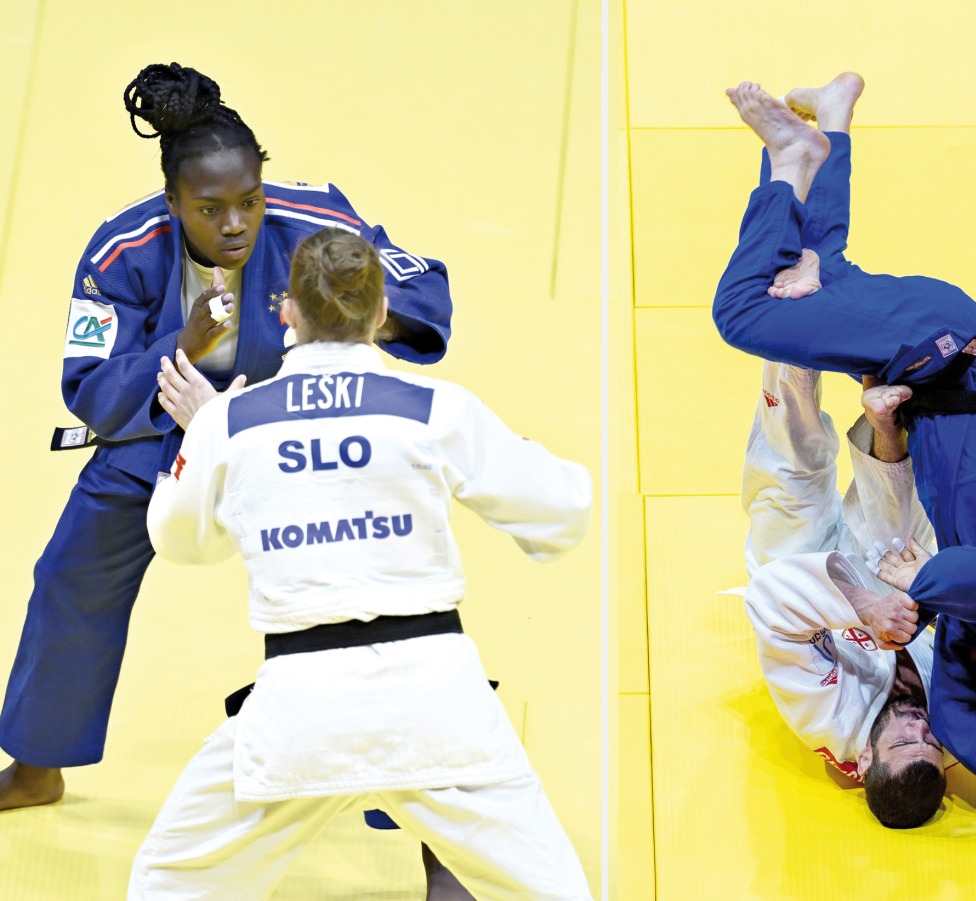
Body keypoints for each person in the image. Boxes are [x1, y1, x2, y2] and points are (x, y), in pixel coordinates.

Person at [0, 62, 453, 811]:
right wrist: (176, 345)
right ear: (173, 202)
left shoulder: (316, 222)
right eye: (211, 209)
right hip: (161, 433)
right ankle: (38, 763)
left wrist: (371, 315)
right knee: (69, 577)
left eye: (249, 200)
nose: (236, 222)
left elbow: (418, 287)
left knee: (362, 598)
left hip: (292, 433)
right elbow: (90, 390)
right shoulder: (119, 250)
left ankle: (410, 808)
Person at [713, 74, 976, 836]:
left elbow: (781, 601)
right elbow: (968, 587)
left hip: (837, 524)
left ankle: (828, 126)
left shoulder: (844, 719)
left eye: (905, 743)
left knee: (797, 327)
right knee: (756, 308)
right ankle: (789, 158)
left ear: (863, 761)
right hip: (944, 367)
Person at [130, 228, 594, 899]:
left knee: (172, 878)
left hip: (298, 709)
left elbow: (179, 541)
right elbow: (564, 509)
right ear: (379, 314)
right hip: (438, 703)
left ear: (286, 310)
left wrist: (209, 433)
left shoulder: (230, 422)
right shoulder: (439, 409)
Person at [741, 359, 946, 829]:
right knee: (905, 549)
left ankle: (792, 345)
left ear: (867, 761)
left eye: (903, 740)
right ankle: (884, 421)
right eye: (932, 743)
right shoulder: (949, 736)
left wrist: (868, 608)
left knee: (793, 465)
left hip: (795, 573)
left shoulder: (824, 718)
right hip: (873, 579)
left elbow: (768, 599)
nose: (920, 727)